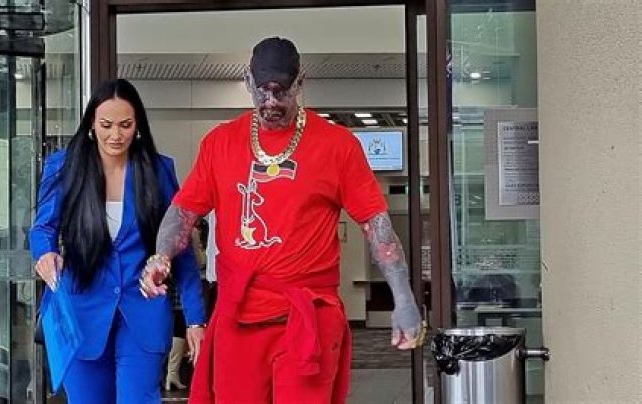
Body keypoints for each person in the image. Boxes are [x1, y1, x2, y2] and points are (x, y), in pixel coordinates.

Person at [139, 37, 423, 404]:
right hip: (239, 315)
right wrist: (161, 256)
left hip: (307, 315)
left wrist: (403, 298)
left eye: (282, 91)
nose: (271, 101)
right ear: (247, 81)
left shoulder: (337, 145)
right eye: (263, 90)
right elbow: (183, 212)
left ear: (300, 82)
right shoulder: (220, 143)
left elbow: (376, 225)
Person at [30, 79, 206, 404]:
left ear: (137, 126)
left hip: (142, 311)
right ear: (91, 125)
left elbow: (179, 242)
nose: (116, 135)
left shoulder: (158, 169)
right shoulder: (64, 167)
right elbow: (43, 228)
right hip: (82, 311)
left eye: (125, 125)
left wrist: (196, 319)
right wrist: (45, 253)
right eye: (106, 125)